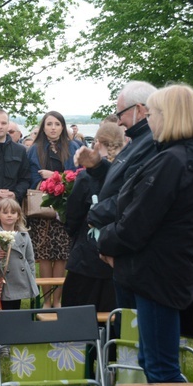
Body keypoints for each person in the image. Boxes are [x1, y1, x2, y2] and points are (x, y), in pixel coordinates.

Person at [97, 84, 193, 386]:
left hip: (156, 272)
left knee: (160, 367)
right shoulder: (187, 154)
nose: (148, 120)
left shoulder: (173, 160)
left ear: (167, 116)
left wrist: (103, 240)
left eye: (152, 113)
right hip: (164, 268)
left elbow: (138, 222)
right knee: (154, 363)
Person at [75, 81, 159, 308]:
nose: (118, 120)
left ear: (140, 110)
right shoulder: (139, 141)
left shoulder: (152, 144)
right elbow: (121, 179)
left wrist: (96, 214)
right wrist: (97, 167)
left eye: (120, 113)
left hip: (133, 245)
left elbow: (136, 195)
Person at [63, 122, 126, 312]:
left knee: (81, 307)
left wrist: (73, 231)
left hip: (88, 250)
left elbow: (73, 214)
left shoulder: (86, 177)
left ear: (97, 143)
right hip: (117, 247)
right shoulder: (127, 170)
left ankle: (79, 340)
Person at [26, 110, 81, 307]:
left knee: (61, 256)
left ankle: (58, 301)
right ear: (43, 127)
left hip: (65, 209)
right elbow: (32, 178)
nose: (53, 128)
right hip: (41, 208)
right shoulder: (34, 149)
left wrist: (54, 176)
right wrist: (46, 183)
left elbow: (78, 176)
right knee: (44, 256)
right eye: (49, 124)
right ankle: (46, 300)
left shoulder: (74, 146)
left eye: (57, 124)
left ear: (63, 127)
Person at [0, 198, 38, 310]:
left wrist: (31, 278)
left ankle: (15, 326)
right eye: (5, 212)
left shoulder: (24, 235)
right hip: (2, 279)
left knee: (15, 307)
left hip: (19, 278)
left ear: (18, 216)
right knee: (3, 308)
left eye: (13, 212)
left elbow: (30, 259)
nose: (9, 215)